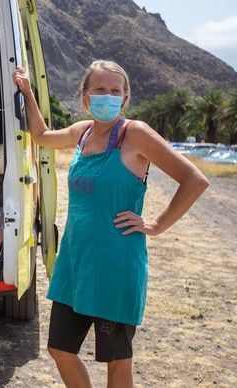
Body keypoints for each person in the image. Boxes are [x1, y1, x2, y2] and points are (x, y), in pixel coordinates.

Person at [12, 60, 209, 387]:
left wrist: (157, 224)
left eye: (115, 91)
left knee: (117, 362)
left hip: (116, 266)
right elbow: (42, 135)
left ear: (125, 97)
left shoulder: (136, 135)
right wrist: (27, 90)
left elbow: (194, 180)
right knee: (59, 349)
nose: (108, 96)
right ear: (86, 97)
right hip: (76, 262)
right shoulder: (82, 132)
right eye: (100, 90)